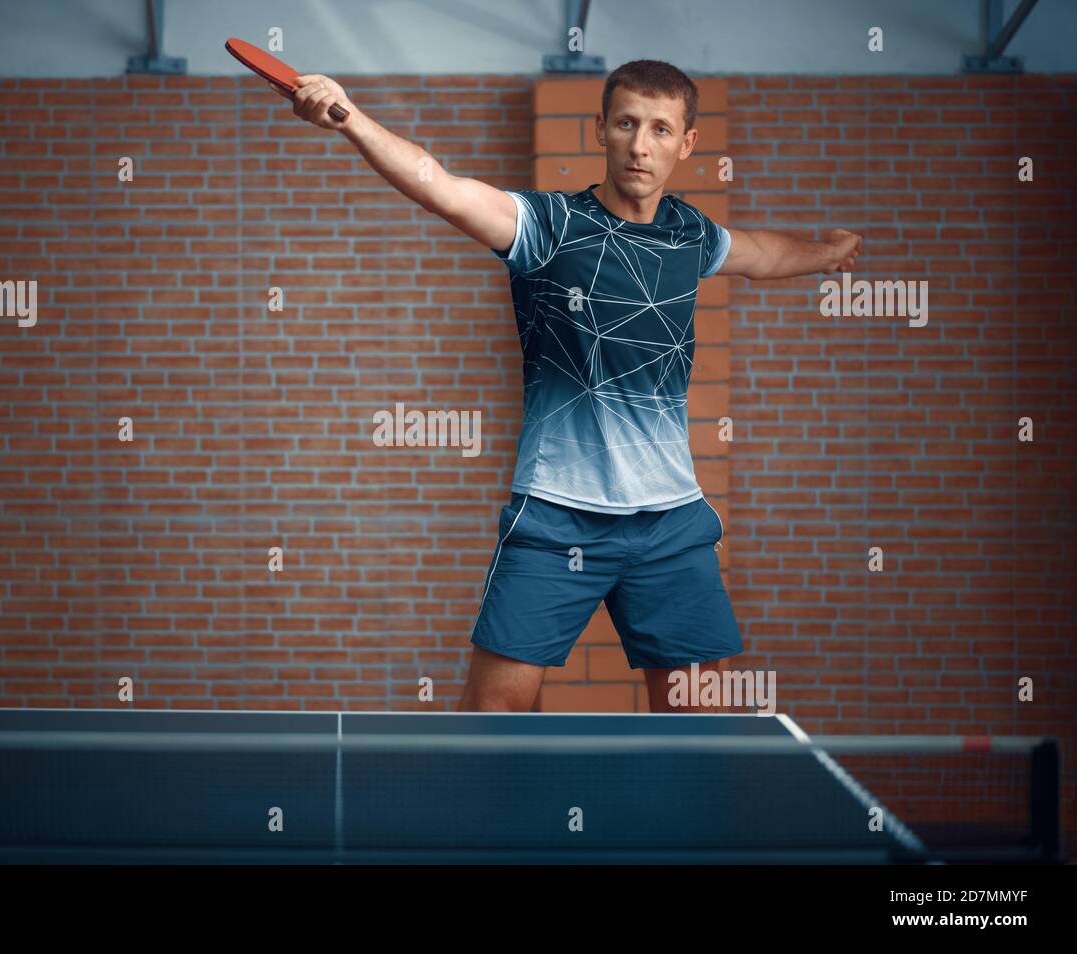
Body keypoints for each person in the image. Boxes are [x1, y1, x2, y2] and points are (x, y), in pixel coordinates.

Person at [277, 59, 861, 713]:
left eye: (661, 129)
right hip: (557, 516)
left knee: (698, 721)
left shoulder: (688, 233)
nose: (641, 145)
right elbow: (437, 187)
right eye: (627, 123)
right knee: (493, 718)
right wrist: (350, 118)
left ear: (686, 143)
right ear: (602, 129)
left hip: (670, 523)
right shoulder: (549, 227)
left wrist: (828, 253)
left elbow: (761, 254)